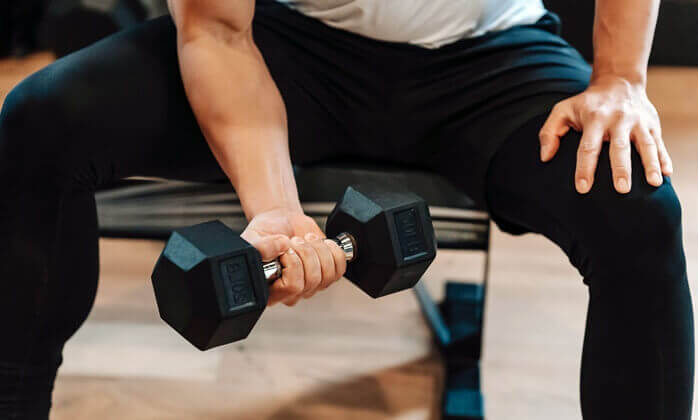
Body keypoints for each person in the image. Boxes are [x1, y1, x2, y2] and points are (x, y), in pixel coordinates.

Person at [0, 0, 692, 418]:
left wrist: (622, 76)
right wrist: (274, 211)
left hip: (495, 59)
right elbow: (215, 31)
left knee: (636, 214)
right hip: (298, 48)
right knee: (41, 121)